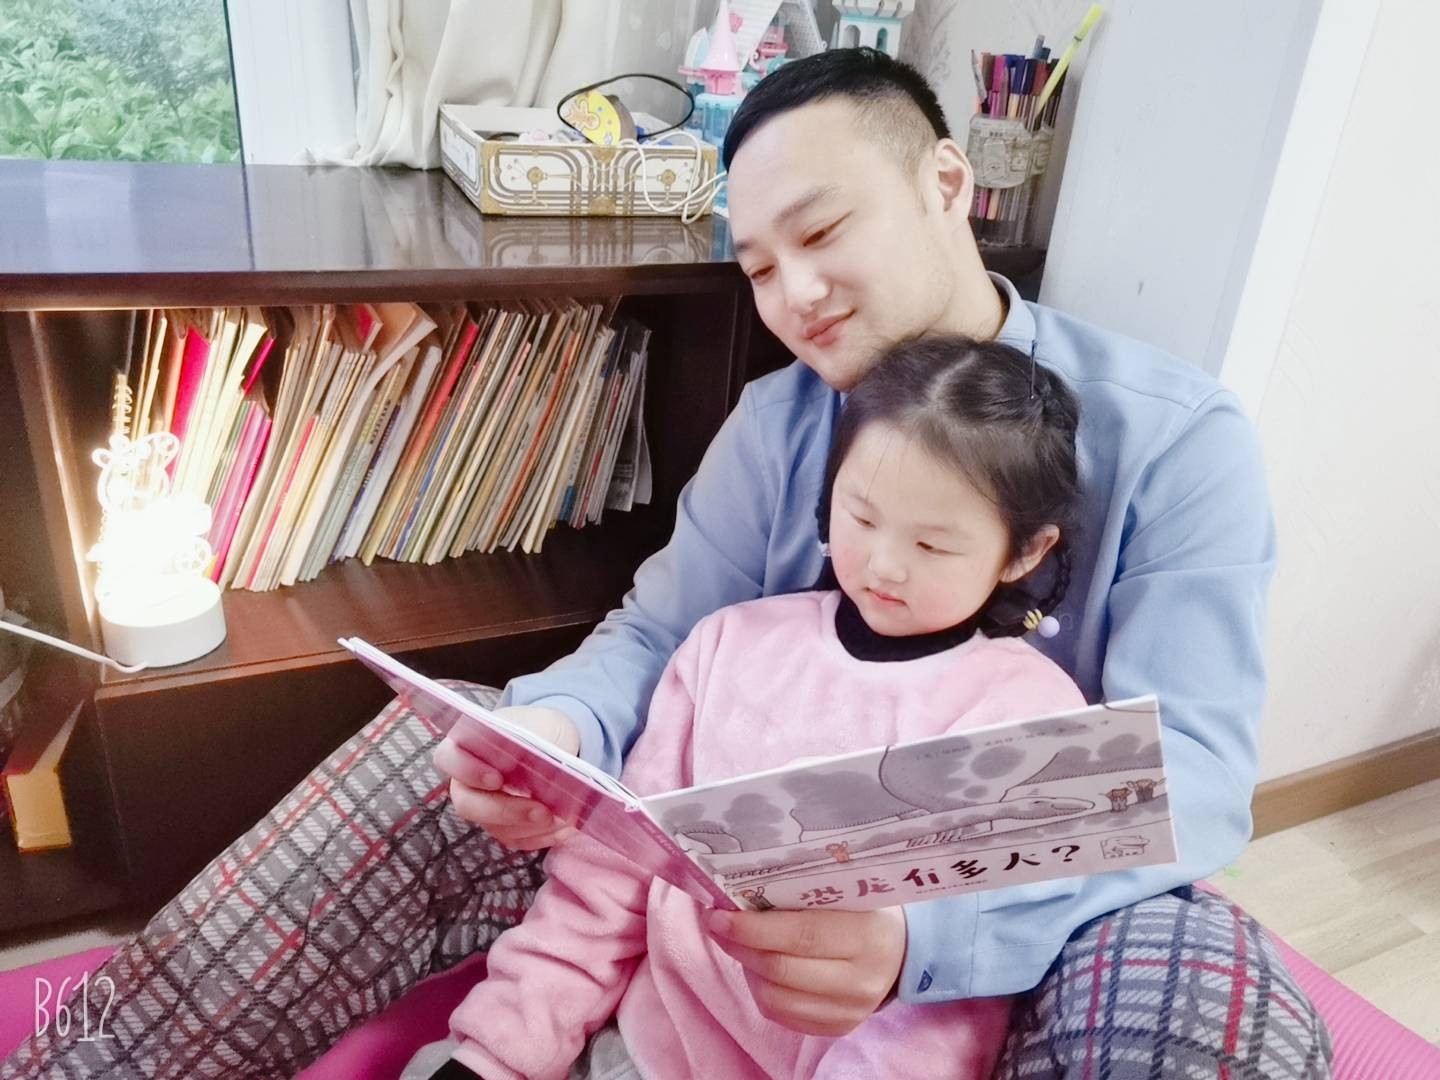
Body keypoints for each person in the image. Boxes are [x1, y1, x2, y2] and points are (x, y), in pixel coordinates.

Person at [2, 48, 1331, 1080]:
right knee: (448, 749)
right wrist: (556, 732)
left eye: (823, 232)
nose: (795, 295)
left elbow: (1185, 773)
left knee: (1211, 991)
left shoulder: (1171, 439)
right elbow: (657, 640)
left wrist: (925, 935)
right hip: (715, 888)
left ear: (946, 184)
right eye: (758, 267)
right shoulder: (777, 424)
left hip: (1025, 903)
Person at [432, 336, 1087, 1079]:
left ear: (1025, 552)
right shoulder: (728, 645)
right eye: (862, 517)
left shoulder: (1026, 716)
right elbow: (604, 884)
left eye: (933, 546)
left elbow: (948, 1019)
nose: (884, 565)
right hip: (637, 1048)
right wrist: (497, 1054)